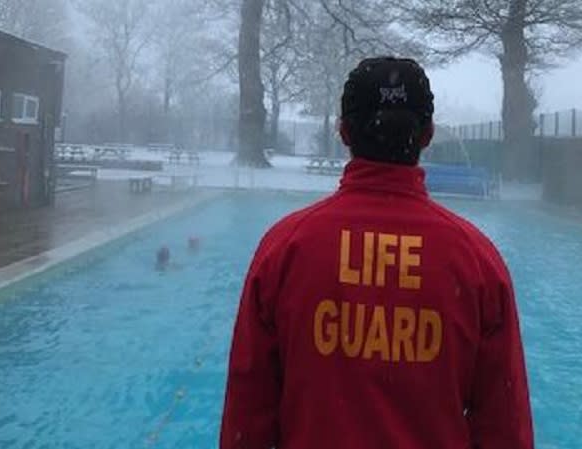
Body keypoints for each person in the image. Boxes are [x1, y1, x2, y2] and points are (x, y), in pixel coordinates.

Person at [220, 57, 534, 449]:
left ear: (344, 132)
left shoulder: (286, 249)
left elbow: (246, 416)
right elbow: (505, 427)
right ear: (427, 135)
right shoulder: (477, 262)